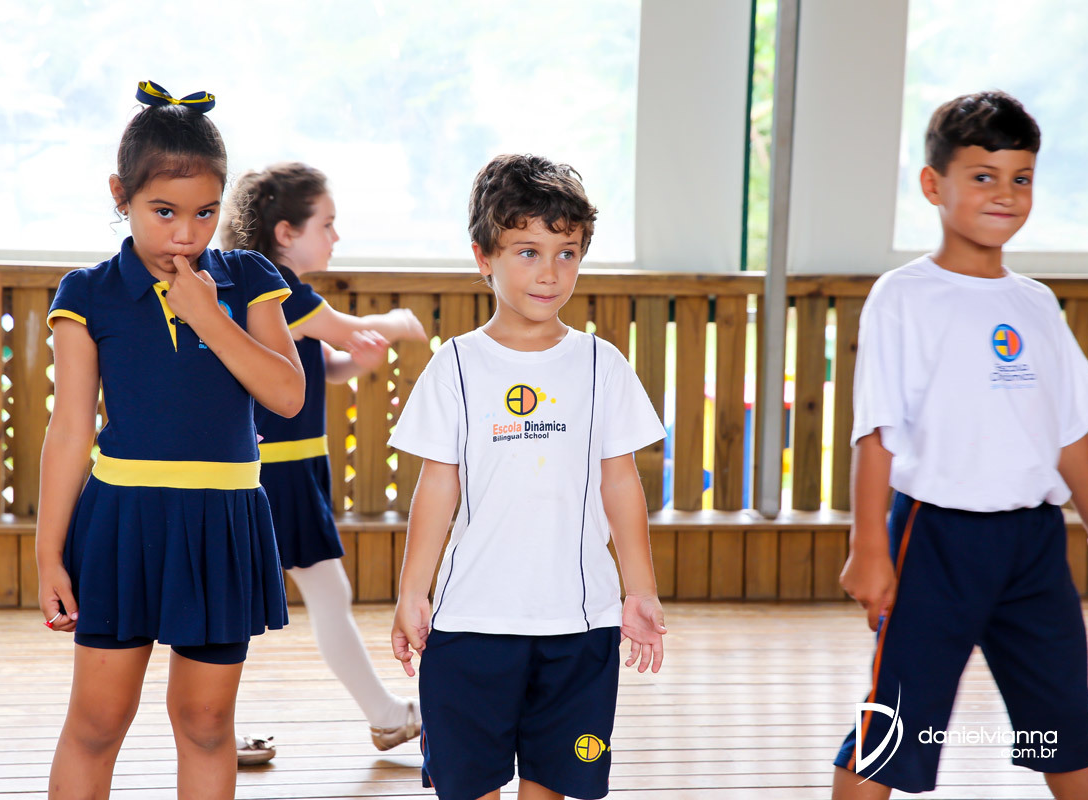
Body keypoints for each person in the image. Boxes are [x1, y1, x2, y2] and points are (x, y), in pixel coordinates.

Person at [36, 81, 304, 799]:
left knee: (208, 724)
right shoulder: (87, 292)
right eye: (164, 212)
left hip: (224, 524)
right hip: (122, 524)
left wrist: (210, 317)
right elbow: (69, 431)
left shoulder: (248, 279)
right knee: (97, 723)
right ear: (120, 195)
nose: (186, 234)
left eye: (205, 213)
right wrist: (47, 553)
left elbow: (287, 395)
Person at [832, 91, 1088, 799]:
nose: (1004, 193)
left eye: (1021, 177)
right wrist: (869, 546)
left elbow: (1070, 434)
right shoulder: (905, 295)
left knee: (1064, 720)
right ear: (933, 184)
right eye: (983, 176)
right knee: (898, 724)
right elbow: (876, 430)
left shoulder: (1036, 304)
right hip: (936, 539)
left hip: (1035, 544)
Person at [389, 154, 668, 800]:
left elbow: (621, 483)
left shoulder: (601, 365)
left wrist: (640, 590)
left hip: (579, 625)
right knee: (468, 787)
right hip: (470, 625)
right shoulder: (456, 366)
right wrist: (412, 592)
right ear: (483, 257)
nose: (550, 272)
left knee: (553, 785)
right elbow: (438, 486)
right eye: (528, 252)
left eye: (567, 253)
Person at [221, 162, 429, 764]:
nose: (336, 237)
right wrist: (396, 323)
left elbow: (320, 366)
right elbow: (345, 328)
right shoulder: (277, 287)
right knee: (290, 597)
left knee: (256, 602)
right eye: (327, 224)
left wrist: (354, 363)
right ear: (285, 232)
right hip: (275, 471)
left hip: (290, 467)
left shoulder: (272, 290)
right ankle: (384, 716)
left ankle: (383, 716)